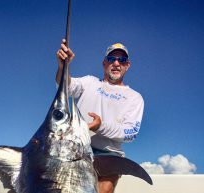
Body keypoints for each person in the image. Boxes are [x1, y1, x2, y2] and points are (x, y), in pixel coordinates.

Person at [56, 39, 144, 193]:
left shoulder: (134, 97)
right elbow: (65, 87)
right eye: (111, 59)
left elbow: (130, 133)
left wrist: (100, 126)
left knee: (105, 188)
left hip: (109, 153)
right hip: (77, 147)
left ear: (127, 65)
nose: (116, 63)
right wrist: (64, 66)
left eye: (121, 60)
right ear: (104, 63)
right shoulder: (89, 82)